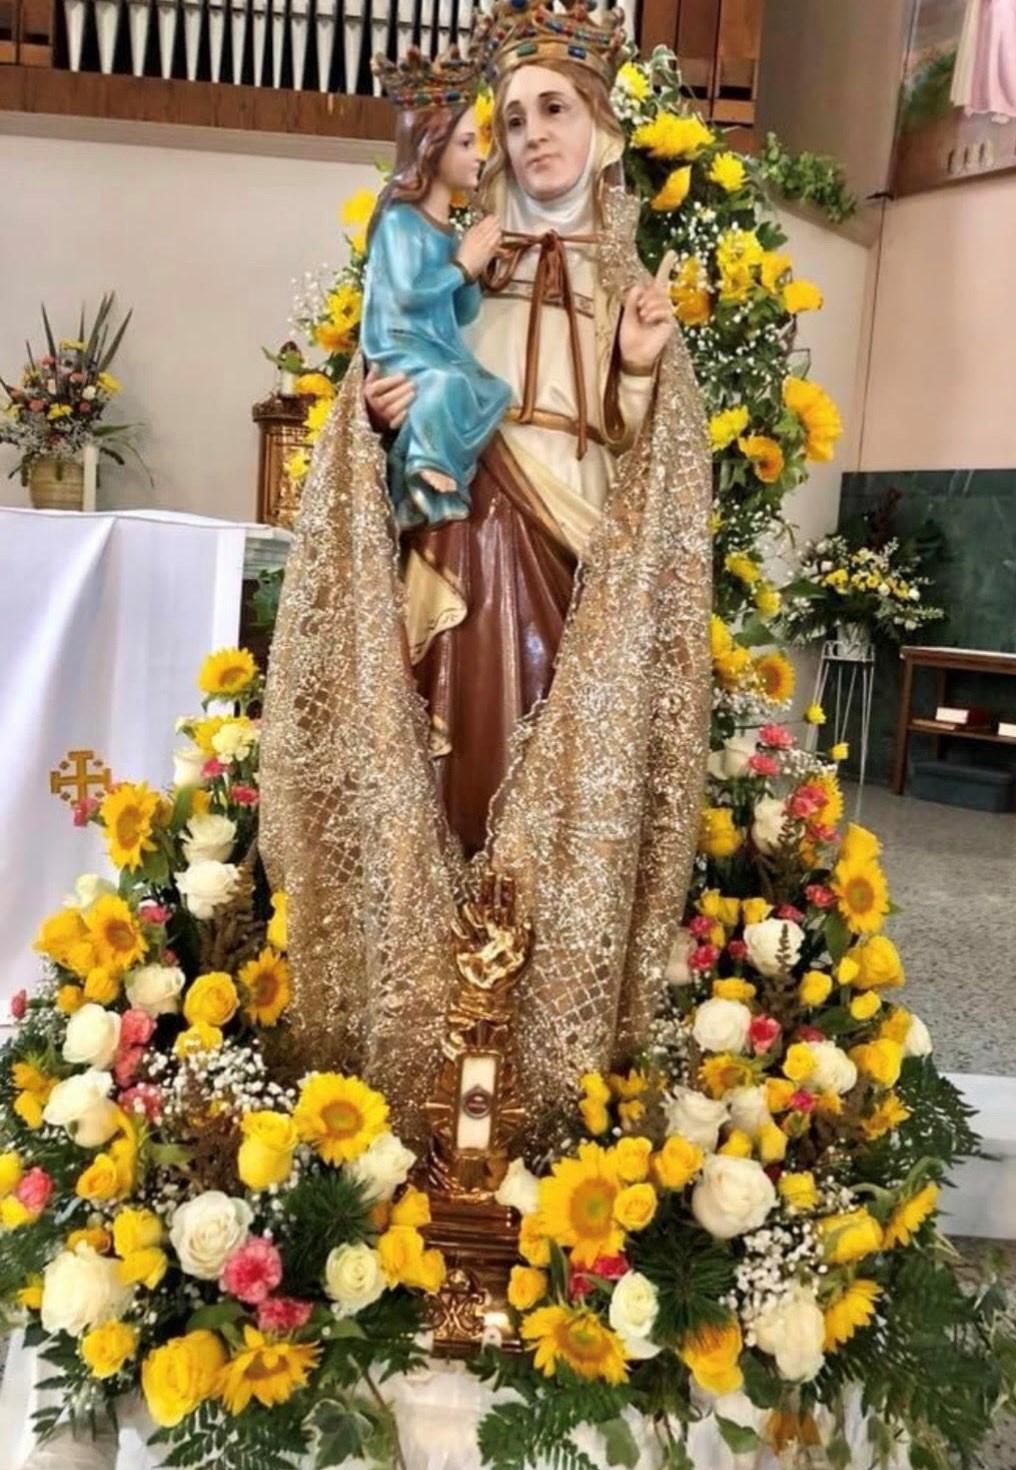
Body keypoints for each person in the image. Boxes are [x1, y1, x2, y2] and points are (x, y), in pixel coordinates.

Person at [260, 2, 713, 1152]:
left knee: (550, 768)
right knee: (455, 755)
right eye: (511, 119)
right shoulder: (449, 267)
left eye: (555, 108)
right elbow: (384, 391)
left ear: (605, 131)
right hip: (460, 548)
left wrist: (641, 371)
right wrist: (375, 414)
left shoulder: (629, 286)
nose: (532, 135)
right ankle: (434, 995)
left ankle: (538, 1029)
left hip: (575, 565)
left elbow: (650, 468)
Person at [361, 50, 511, 530]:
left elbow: (462, 312)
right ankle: (422, 468)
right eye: (466, 143)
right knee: (445, 385)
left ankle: (425, 475)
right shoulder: (400, 220)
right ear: (431, 146)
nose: (479, 154)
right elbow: (409, 293)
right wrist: (463, 265)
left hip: (437, 346)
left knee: (493, 391)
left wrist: (477, 270)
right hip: (402, 346)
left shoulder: (447, 231)